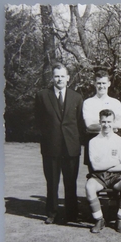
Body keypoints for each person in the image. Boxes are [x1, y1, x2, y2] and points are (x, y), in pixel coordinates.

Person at [35, 63, 84, 224]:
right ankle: (52, 213)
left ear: (68, 78)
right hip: (51, 147)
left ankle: (71, 214)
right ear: (52, 77)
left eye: (62, 76)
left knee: (70, 183)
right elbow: (38, 121)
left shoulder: (76, 97)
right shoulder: (42, 96)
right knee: (52, 182)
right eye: (56, 76)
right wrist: (48, 138)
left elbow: (78, 122)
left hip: (71, 147)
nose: (59, 79)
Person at [85, 109, 121, 234]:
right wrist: (114, 162)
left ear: (114, 122)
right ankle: (99, 219)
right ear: (99, 122)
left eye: (109, 121)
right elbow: (95, 166)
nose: (106, 125)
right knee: (89, 186)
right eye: (104, 122)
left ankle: (120, 220)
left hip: (117, 176)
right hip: (99, 176)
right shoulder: (93, 142)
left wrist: (104, 164)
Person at [82, 69, 121, 171]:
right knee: (93, 175)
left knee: (113, 174)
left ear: (108, 84)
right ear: (95, 84)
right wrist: (110, 124)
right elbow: (89, 125)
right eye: (99, 83)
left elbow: (119, 124)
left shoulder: (116, 103)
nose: (101, 86)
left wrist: (97, 124)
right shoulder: (88, 103)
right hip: (93, 140)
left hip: (112, 141)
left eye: (104, 83)